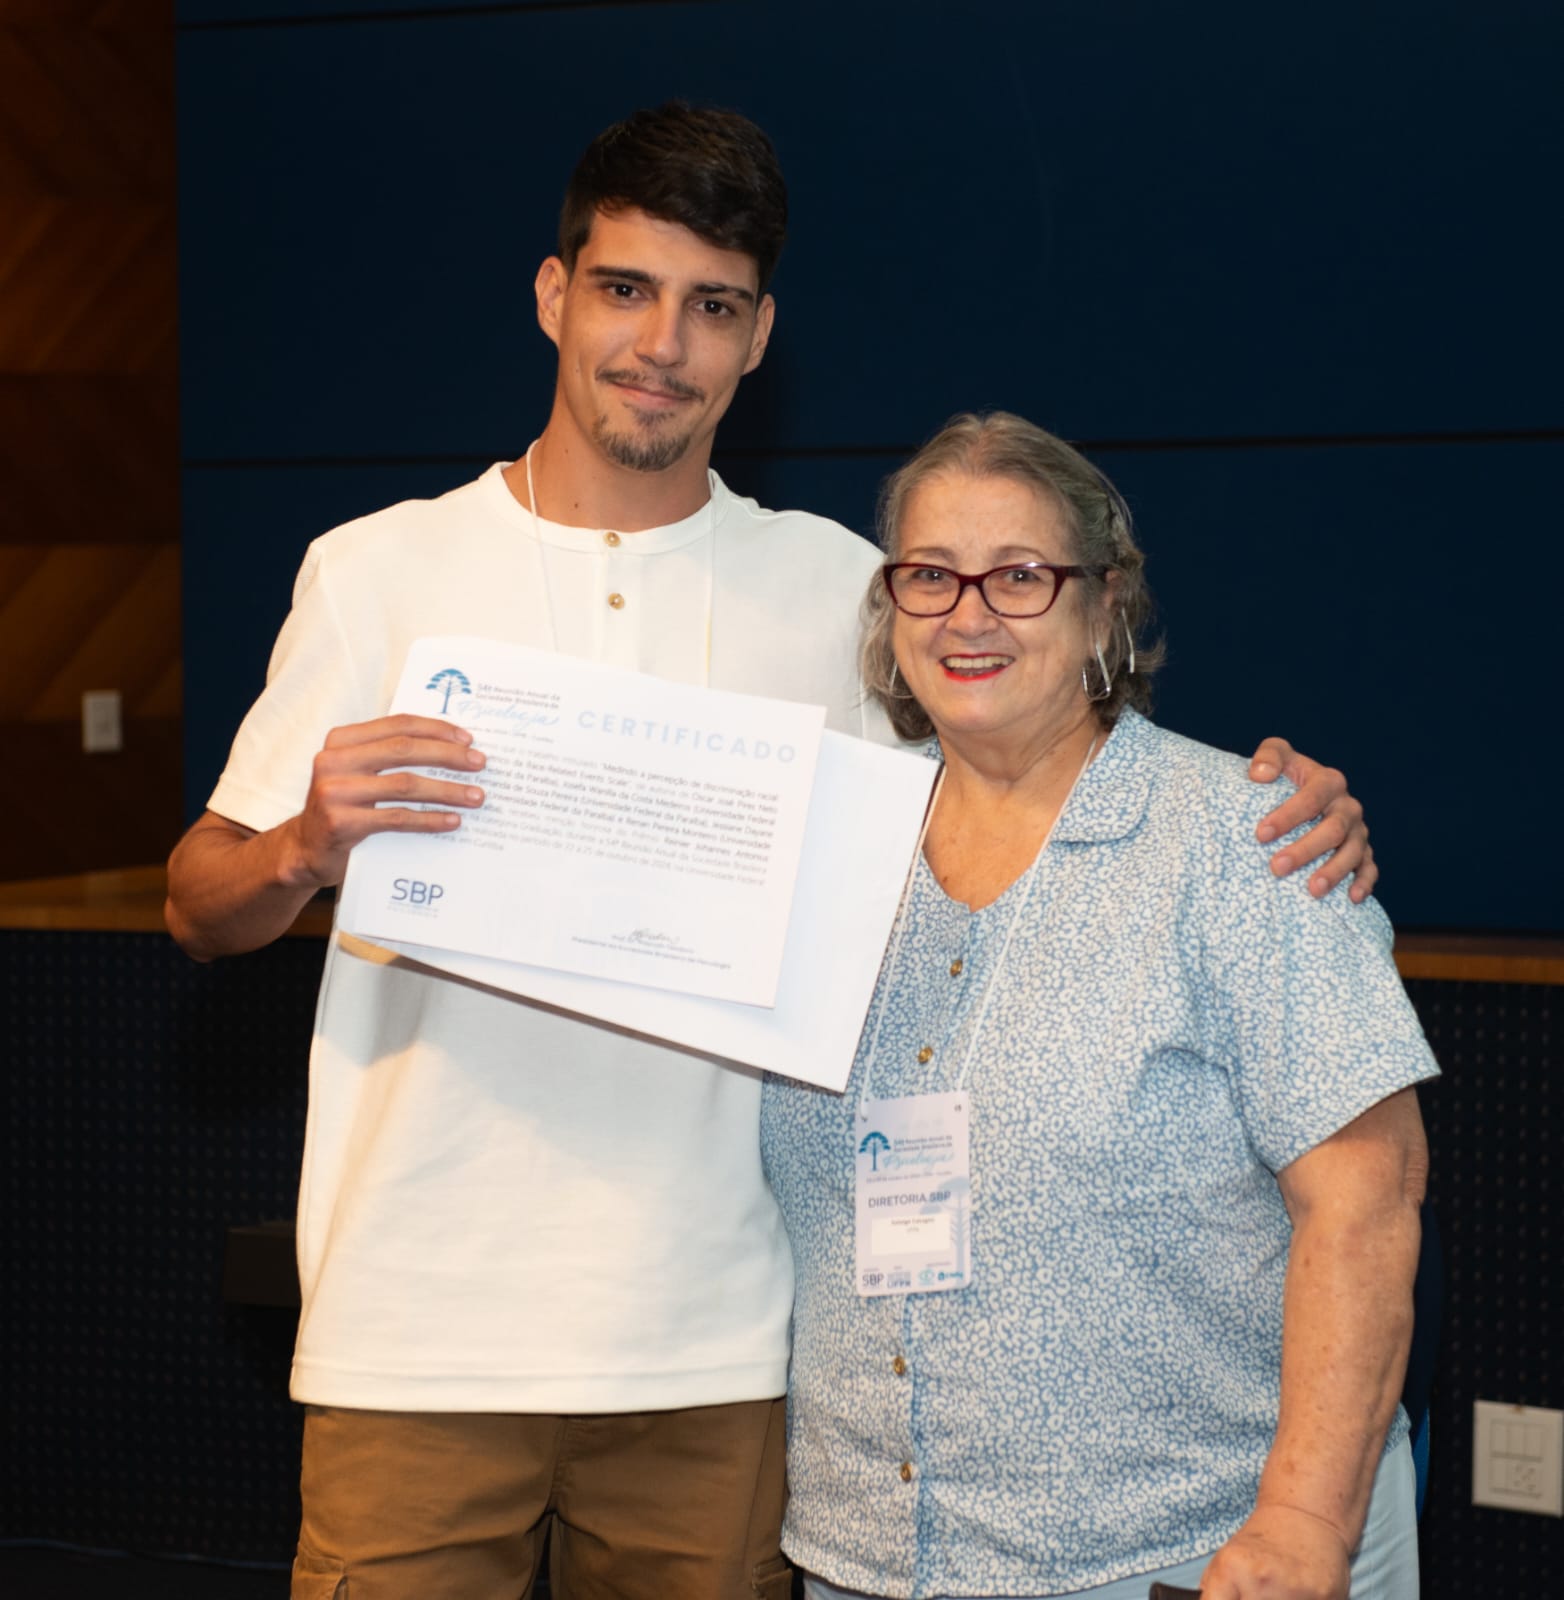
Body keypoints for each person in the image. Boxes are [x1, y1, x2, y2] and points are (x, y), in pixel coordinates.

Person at [165, 107, 1377, 1600]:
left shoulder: (849, 590)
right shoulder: (374, 569)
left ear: (758, 338)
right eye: (625, 289)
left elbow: (1032, 757)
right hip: (419, 1327)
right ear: (555, 297)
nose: (662, 342)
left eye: (712, 306)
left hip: (727, 1343)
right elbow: (201, 905)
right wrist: (303, 843)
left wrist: (1283, 796)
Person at [760, 412, 1437, 1600]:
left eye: (1020, 576)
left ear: (1106, 603)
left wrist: (1300, 1524)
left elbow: (1367, 1206)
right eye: (928, 575)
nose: (967, 614)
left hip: (1193, 1555)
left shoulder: (1248, 842)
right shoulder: (824, 851)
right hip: (874, 1557)